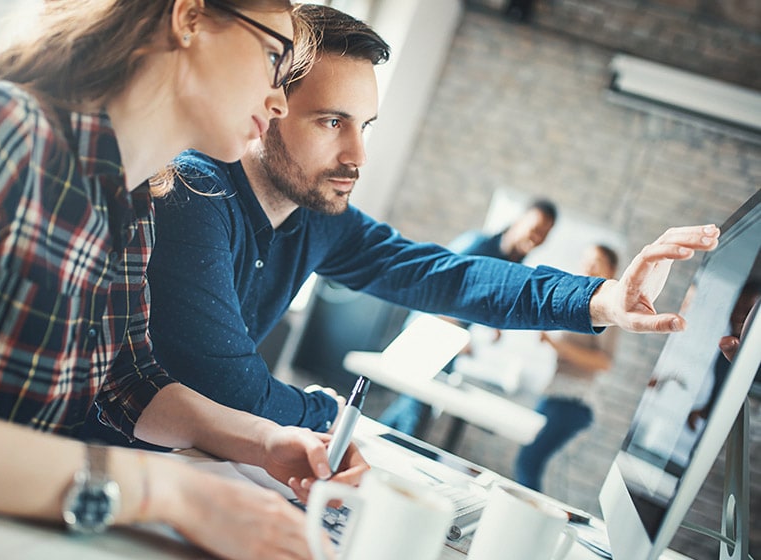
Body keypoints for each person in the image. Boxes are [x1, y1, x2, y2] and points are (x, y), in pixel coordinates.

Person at [106, 4, 719, 439]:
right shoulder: (192, 194)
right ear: (268, 104)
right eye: (331, 122)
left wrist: (603, 299)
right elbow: (229, 393)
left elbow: (447, 277)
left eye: (364, 126)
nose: (357, 156)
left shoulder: (321, 218)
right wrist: (331, 416)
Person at [0, 2, 366, 560]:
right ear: (188, 18)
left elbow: (129, 381)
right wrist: (170, 493)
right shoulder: (0, 127)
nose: (280, 99)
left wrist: (266, 442)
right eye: (272, 56)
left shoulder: (136, 196)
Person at [378, 198, 557, 435]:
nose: (537, 237)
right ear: (519, 221)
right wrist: (457, 332)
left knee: (411, 410)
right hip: (430, 331)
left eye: (544, 234)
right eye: (535, 228)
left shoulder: (513, 262)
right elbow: (436, 281)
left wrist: (491, 325)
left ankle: (358, 447)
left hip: (449, 342)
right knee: (414, 415)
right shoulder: (479, 244)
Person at [513, 244, 620, 492]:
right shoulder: (583, 303)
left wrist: (555, 344)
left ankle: (532, 525)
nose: (588, 266)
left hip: (573, 402)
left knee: (528, 461)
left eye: (597, 262)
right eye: (586, 260)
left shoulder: (608, 307)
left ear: (611, 269)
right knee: (528, 460)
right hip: (555, 394)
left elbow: (604, 362)